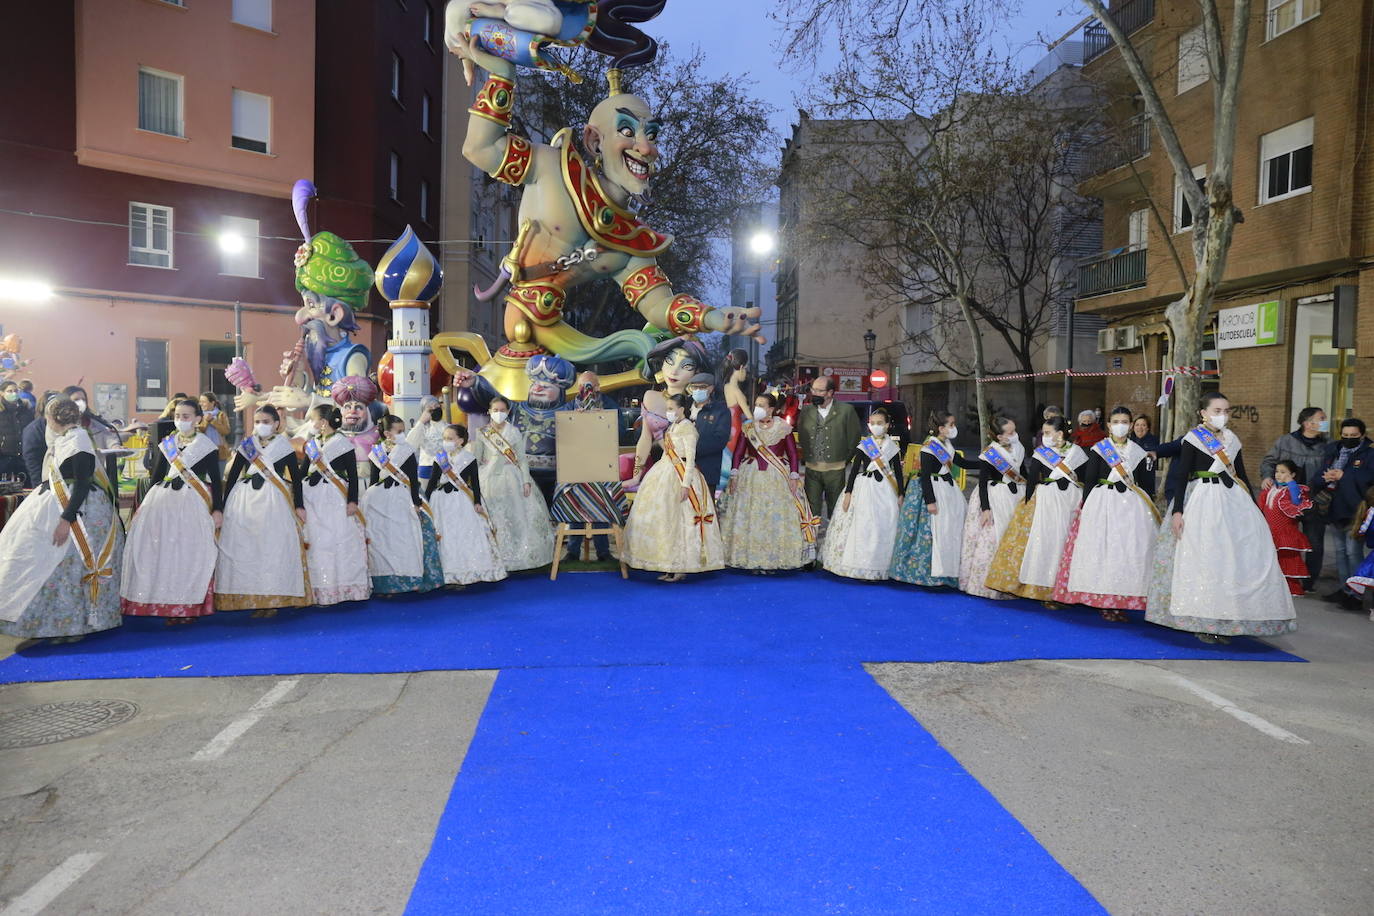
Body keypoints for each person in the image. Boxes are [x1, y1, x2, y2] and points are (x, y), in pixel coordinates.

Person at [1145, 392, 1296, 642]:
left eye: (1226, 411)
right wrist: (1178, 510)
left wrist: (1257, 510)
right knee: (1203, 560)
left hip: (1232, 502)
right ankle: (1201, 620)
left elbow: (1243, 476)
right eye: (1217, 411)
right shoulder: (1194, 439)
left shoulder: (1232, 440)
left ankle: (1227, 619)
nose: (1222, 415)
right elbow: (1182, 476)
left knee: (1231, 560)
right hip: (1201, 501)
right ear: (1203, 413)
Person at [0, 396, 124, 640]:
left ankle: (78, 624)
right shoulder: (67, 438)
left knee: (72, 567)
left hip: (80, 511)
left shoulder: (78, 440)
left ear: (53, 418)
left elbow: (82, 483)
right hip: (55, 503)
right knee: (53, 566)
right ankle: (55, 623)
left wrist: (66, 520)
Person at [120, 398, 223, 622]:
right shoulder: (167, 444)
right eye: (177, 416)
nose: (180, 420)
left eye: (185, 417)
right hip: (163, 503)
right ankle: (166, 603)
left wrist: (218, 509)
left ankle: (188, 606)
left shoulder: (206, 446)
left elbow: (216, 479)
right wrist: (143, 506)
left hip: (192, 504)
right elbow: (156, 476)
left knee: (188, 554)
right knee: (164, 554)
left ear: (197, 419)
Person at [1053, 406, 1159, 621]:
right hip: (1102, 504)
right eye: (1116, 421)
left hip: (1130, 508)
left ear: (1130, 425)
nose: (1120, 425)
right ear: (1109, 425)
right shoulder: (1099, 449)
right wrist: (1087, 507)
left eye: (1125, 421)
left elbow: (1146, 485)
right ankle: (1101, 599)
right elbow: (1090, 481)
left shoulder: (1138, 453)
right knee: (1102, 550)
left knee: (1125, 553)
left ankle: (1121, 600)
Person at [215, 405, 311, 615]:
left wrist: (299, 505)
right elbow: (233, 475)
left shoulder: (283, 445)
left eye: (266, 422)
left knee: (272, 549)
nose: (261, 426)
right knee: (247, 549)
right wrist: (222, 505)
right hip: (244, 500)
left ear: (276, 424)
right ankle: (254, 599)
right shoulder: (248, 445)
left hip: (274, 501)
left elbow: (296, 479)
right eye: (257, 422)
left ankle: (273, 599)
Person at [622, 393, 725, 581]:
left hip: (683, 476)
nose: (668, 412)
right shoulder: (673, 427)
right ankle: (668, 563)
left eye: (671, 409)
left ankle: (680, 567)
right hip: (665, 472)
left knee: (682, 522)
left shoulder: (688, 429)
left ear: (681, 409)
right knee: (666, 521)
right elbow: (667, 453)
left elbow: (690, 458)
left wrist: (686, 484)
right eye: (667, 409)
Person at [986, 416, 1087, 604]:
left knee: (1067, 542)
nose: (1044, 436)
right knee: (1046, 543)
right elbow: (1032, 479)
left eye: (1047, 433)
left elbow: (1084, 478)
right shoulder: (1041, 453)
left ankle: (1066, 589)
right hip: (1046, 502)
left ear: (1060, 433)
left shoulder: (1077, 453)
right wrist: (1027, 504)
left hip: (1071, 501)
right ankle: (1043, 589)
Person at [722, 392, 812, 573]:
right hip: (751, 477)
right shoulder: (749, 428)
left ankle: (774, 559)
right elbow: (738, 453)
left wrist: (794, 475)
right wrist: (734, 474)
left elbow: (793, 453)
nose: (757, 408)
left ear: (772, 409)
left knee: (774, 516)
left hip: (777, 477)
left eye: (762, 405)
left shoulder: (783, 427)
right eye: (756, 404)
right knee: (751, 516)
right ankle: (750, 558)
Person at [890, 410, 979, 587]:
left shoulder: (946, 444)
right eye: (951, 425)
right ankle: (928, 575)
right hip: (934, 493)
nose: (954, 428)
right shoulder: (929, 447)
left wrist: (985, 463)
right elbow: (925, 476)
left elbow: (961, 463)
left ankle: (948, 571)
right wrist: (930, 502)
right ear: (941, 428)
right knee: (931, 533)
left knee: (949, 531)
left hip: (948, 490)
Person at [471, 395, 555, 571]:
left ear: (508, 412)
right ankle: (492, 558)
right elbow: (477, 459)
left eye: (502, 410)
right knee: (492, 517)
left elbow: (522, 460)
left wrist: (525, 481)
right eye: (495, 410)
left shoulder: (514, 431)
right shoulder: (482, 432)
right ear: (489, 412)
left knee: (516, 517)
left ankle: (518, 558)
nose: (499, 413)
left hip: (512, 478)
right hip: (488, 479)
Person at [299, 403, 371, 606]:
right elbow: (304, 472)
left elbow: (353, 475)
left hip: (335, 498)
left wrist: (353, 501)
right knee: (317, 542)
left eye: (313, 420)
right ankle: (319, 589)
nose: (311, 424)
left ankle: (342, 588)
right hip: (313, 498)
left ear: (323, 422)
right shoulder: (313, 444)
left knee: (338, 540)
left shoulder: (342, 443)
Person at [553, 370, 629, 564]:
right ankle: (572, 551)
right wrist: (576, 419)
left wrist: (601, 417)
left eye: (590, 385)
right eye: (583, 385)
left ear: (598, 387)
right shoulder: (569, 406)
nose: (586, 390)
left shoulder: (609, 404)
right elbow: (561, 431)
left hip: (602, 462)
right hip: (576, 463)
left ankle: (603, 551)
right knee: (575, 503)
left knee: (601, 504)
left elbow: (620, 429)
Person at [364, 414, 443, 595]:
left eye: (403, 431)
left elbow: (413, 480)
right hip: (380, 500)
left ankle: (410, 580)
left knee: (406, 538)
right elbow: (374, 480)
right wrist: (369, 500)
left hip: (403, 498)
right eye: (399, 431)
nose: (402, 434)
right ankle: (385, 582)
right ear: (387, 433)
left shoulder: (406, 450)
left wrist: (416, 503)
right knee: (383, 540)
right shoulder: (377, 452)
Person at [821, 407, 904, 580]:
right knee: (863, 525)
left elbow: (898, 472)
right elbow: (853, 471)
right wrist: (848, 493)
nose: (876, 426)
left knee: (884, 525)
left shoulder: (893, 448)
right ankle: (858, 565)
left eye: (880, 423)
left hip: (886, 491)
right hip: (864, 488)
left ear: (887, 425)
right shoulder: (864, 446)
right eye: (872, 423)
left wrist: (901, 494)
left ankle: (881, 567)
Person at [425, 424, 507, 586]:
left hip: (462, 500)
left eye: (450, 438)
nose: (446, 441)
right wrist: (425, 502)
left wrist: (477, 501)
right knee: (446, 535)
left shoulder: (469, 458)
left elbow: (475, 483)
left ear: (460, 441)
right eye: (444, 438)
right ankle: (447, 574)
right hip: (441, 501)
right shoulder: (439, 458)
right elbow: (433, 481)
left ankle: (469, 571)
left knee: (464, 534)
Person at [1258, 407, 1328, 591]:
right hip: (1284, 503)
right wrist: (1267, 476)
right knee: (1282, 541)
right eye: (1321, 418)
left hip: (1314, 502)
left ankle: (1308, 582)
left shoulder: (1327, 445)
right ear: (1307, 423)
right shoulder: (1286, 441)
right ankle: (1280, 577)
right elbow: (1269, 461)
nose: (1325, 421)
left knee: (1314, 542)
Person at [959, 416, 1025, 600]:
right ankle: (987, 586)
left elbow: (1023, 474)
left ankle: (1011, 585)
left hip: (1016, 496)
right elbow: (981, 484)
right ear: (999, 436)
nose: (1014, 435)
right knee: (993, 539)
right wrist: (985, 509)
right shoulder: (990, 454)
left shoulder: (1019, 449)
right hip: (996, 498)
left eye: (1014, 430)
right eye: (1010, 432)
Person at [1313, 418, 1373, 607]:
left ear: (1362, 435)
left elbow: (1368, 479)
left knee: (1352, 551)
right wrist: (1326, 477)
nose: (1348, 439)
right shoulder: (1333, 449)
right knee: (1340, 551)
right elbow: (1320, 473)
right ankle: (1344, 589)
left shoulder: (1370, 453)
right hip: (1335, 506)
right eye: (1345, 435)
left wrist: (1344, 476)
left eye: (1353, 436)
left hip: (1356, 509)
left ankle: (1357, 593)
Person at [796, 375, 864, 525]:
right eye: (813, 389)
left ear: (830, 393)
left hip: (836, 469)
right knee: (811, 510)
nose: (814, 393)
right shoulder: (806, 411)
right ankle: (811, 542)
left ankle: (833, 543)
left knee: (836, 509)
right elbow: (802, 436)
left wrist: (843, 461)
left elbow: (854, 439)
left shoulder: (846, 411)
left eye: (820, 390)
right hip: (812, 469)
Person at [1261, 460, 1314, 597]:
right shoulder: (1272, 489)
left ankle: (1292, 587)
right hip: (1270, 532)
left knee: (1287, 559)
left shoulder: (1292, 490)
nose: (1279, 475)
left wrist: (1291, 482)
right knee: (1271, 559)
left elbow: (1297, 501)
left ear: (1293, 474)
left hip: (1285, 533)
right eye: (1277, 471)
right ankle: (1272, 586)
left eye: (1283, 472)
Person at [688, 372, 732, 495]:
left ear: (711, 388)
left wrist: (692, 450)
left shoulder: (720, 410)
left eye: (701, 387)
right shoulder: (684, 407)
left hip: (706, 469)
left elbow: (720, 439)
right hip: (681, 468)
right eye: (694, 387)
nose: (697, 390)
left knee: (705, 507)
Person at [21, 390, 61, 485]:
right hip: (45, 480)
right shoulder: (33, 430)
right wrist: (39, 485)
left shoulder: (66, 425)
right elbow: (32, 460)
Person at [407, 395, 448, 482]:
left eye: (436, 406)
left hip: (446, 467)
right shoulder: (422, 428)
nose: (434, 409)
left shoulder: (448, 427)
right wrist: (421, 421)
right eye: (430, 408)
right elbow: (410, 444)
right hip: (426, 468)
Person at [0, 379, 35, 480]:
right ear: (2, 393)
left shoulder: (26, 410)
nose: (14, 393)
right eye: (10, 391)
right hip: (5, 457)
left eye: (16, 391)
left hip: (24, 456)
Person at [1129, 414, 1160, 497]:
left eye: (1143, 425)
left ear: (1148, 428)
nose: (1140, 428)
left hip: (1146, 481)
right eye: (1137, 425)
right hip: (1130, 481)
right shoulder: (1129, 441)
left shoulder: (1153, 441)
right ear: (1133, 427)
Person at [198, 391, 231, 462]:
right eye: (200, 402)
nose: (201, 404)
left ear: (212, 403)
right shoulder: (199, 415)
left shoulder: (221, 415)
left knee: (219, 472)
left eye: (203, 402)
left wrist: (213, 421)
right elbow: (199, 431)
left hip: (220, 450)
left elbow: (226, 431)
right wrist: (206, 421)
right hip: (203, 450)